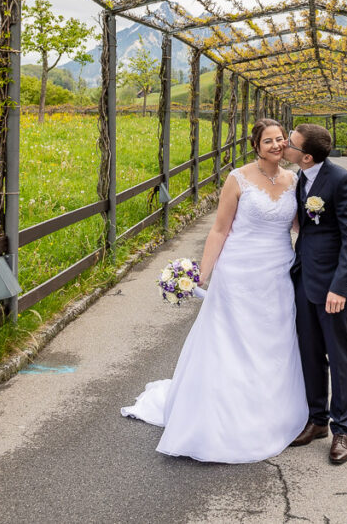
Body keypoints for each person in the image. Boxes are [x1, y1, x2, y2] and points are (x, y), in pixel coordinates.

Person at [121, 119, 308, 463]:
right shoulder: (237, 179)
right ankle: (221, 418)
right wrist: (201, 275)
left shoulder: (294, 181)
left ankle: (270, 412)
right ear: (256, 145)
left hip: (278, 273)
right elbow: (220, 231)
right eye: (269, 140)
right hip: (237, 273)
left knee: (273, 343)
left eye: (281, 139)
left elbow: (298, 226)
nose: (277, 145)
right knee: (230, 344)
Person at [281, 123, 347, 465]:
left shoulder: (341, 180)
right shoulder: (298, 179)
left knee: (339, 357)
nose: (284, 145)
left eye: (290, 143)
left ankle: (342, 430)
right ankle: (317, 420)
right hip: (304, 281)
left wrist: (339, 288)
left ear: (306, 156)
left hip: (335, 288)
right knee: (310, 353)